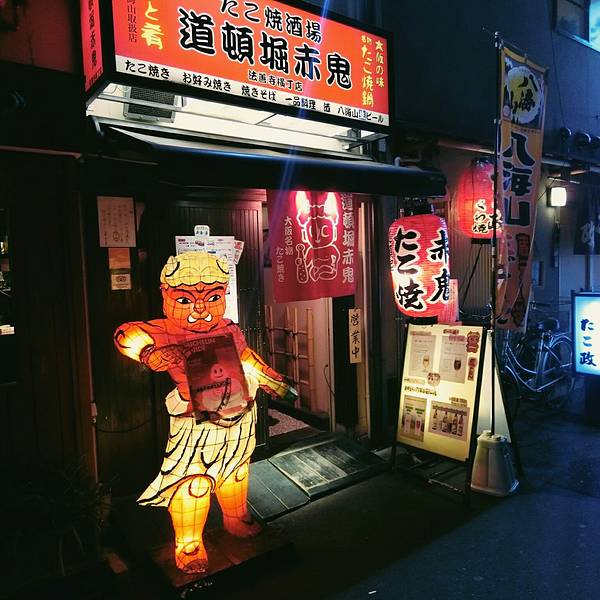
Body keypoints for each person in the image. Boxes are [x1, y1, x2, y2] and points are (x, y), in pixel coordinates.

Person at [114, 251, 295, 573]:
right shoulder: (164, 331)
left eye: (212, 297)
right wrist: (149, 352)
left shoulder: (228, 328)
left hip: (238, 411)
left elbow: (246, 357)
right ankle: (189, 542)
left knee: (236, 471)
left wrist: (271, 379)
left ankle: (236, 518)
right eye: (185, 300)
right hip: (195, 422)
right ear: (166, 295)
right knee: (193, 482)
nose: (200, 309)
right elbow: (126, 333)